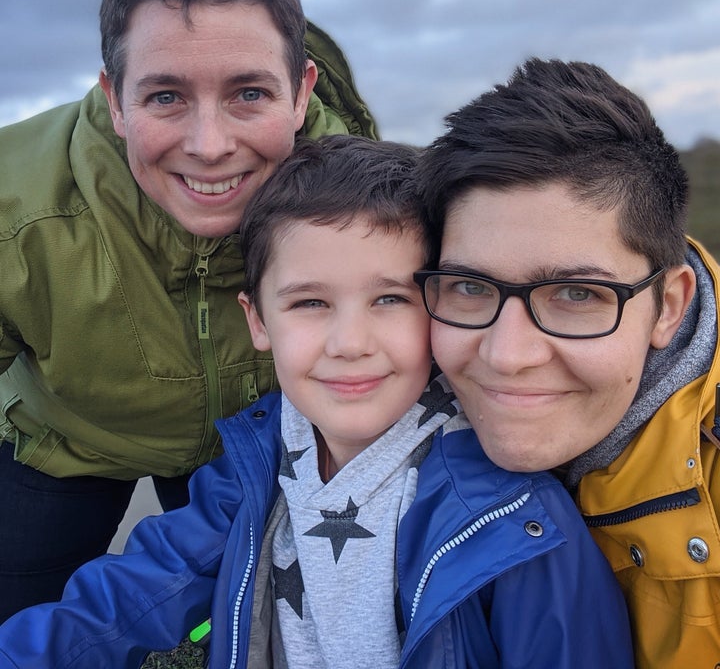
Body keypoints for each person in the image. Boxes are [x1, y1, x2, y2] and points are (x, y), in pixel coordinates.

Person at [0, 135, 633, 668]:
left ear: (443, 302)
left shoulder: (516, 522)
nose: (350, 344)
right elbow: (128, 598)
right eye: (309, 302)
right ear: (257, 320)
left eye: (390, 299)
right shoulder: (258, 463)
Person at [0, 0, 378, 622]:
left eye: (249, 93)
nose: (209, 145)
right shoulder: (13, 206)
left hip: (242, 453)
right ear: (115, 99)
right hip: (64, 440)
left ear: (301, 91)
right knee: (20, 612)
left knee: (248, 621)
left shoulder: (371, 204)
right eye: (166, 96)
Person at [414, 57, 720, 668]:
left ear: (668, 307)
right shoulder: (392, 402)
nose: (507, 355)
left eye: (578, 294)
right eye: (471, 287)